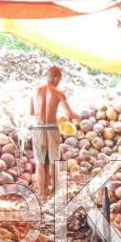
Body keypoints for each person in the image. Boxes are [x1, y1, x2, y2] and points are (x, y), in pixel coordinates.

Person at [30, 66, 78, 199]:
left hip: (38, 129)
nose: (59, 82)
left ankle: (42, 194)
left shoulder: (35, 91)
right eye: (60, 80)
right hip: (52, 130)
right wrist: (78, 116)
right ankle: (56, 192)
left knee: (39, 163)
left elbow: (33, 113)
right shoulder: (58, 92)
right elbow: (69, 113)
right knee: (53, 162)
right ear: (56, 78)